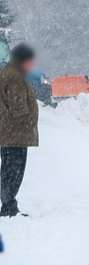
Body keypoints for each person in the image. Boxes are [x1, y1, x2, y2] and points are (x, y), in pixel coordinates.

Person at [0, 43, 39, 217]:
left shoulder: (9, 73)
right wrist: (29, 121)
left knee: (9, 169)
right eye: (31, 60)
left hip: (10, 133)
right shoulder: (15, 76)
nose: (32, 65)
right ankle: (8, 206)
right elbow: (18, 107)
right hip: (15, 133)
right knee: (13, 171)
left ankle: (9, 205)